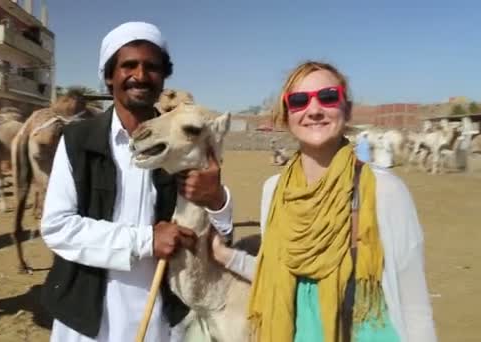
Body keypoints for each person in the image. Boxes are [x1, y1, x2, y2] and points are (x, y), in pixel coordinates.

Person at [210, 61, 436, 341]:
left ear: (347, 108)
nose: (314, 110)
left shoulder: (384, 190)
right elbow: (275, 272)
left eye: (328, 97)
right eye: (299, 101)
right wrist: (224, 256)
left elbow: (413, 302)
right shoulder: (274, 190)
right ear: (286, 115)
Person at [39, 22, 234, 342]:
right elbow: (58, 227)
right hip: (86, 316)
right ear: (109, 75)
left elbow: (220, 234)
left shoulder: (182, 144)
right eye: (129, 65)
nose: (140, 75)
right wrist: (145, 240)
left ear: (163, 77)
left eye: (152, 67)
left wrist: (217, 200)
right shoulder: (78, 140)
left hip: (161, 314)